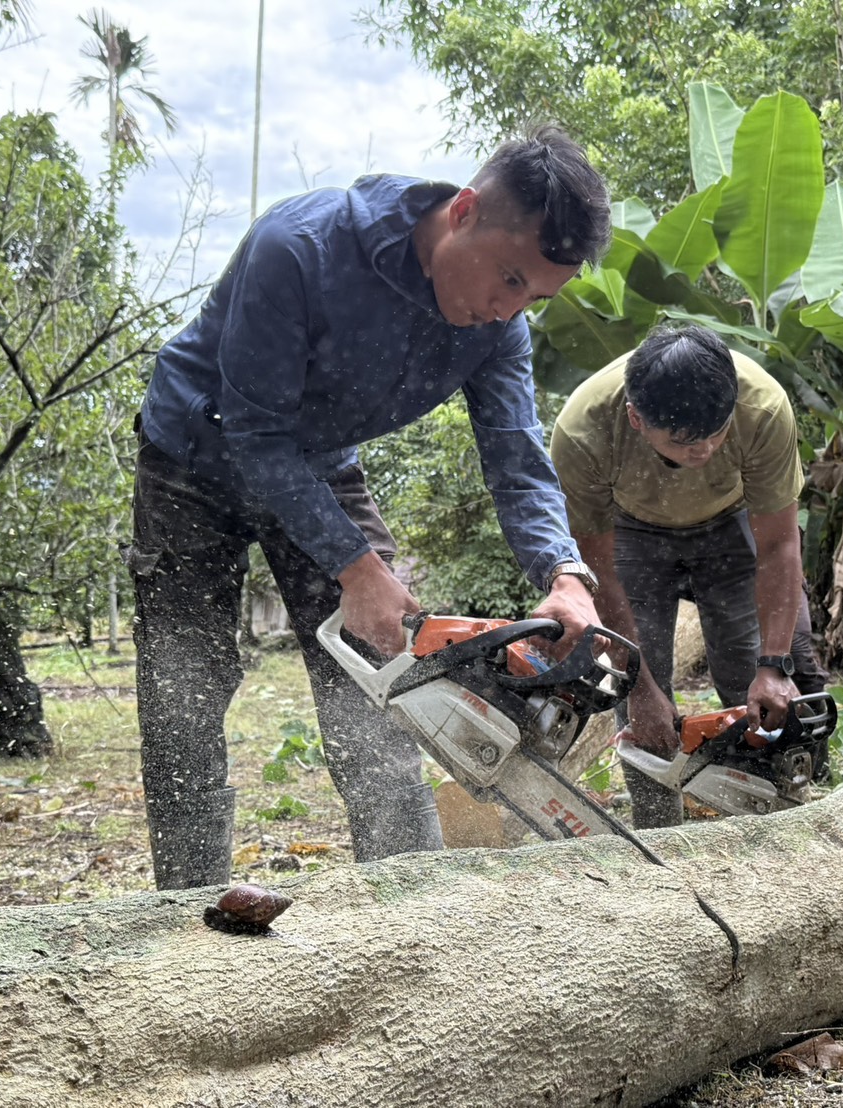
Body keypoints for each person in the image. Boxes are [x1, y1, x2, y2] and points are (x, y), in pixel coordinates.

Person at [125, 125, 613, 887]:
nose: (507, 308)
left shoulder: (500, 329)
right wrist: (355, 567)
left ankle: (406, 897)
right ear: (463, 212)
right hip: (195, 454)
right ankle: (187, 907)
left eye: (534, 298)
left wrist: (564, 574)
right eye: (509, 278)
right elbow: (255, 435)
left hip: (319, 463)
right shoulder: (300, 247)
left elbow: (516, 458)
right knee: (184, 691)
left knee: (385, 673)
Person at [549, 321, 827, 828]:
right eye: (684, 441)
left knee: (752, 669)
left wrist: (773, 663)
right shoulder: (583, 430)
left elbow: (780, 544)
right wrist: (639, 689)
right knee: (641, 684)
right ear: (636, 418)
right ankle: (659, 832)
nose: (705, 450)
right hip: (630, 531)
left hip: (731, 521)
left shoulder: (762, 407)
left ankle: (778, 816)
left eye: (718, 433)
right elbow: (598, 568)